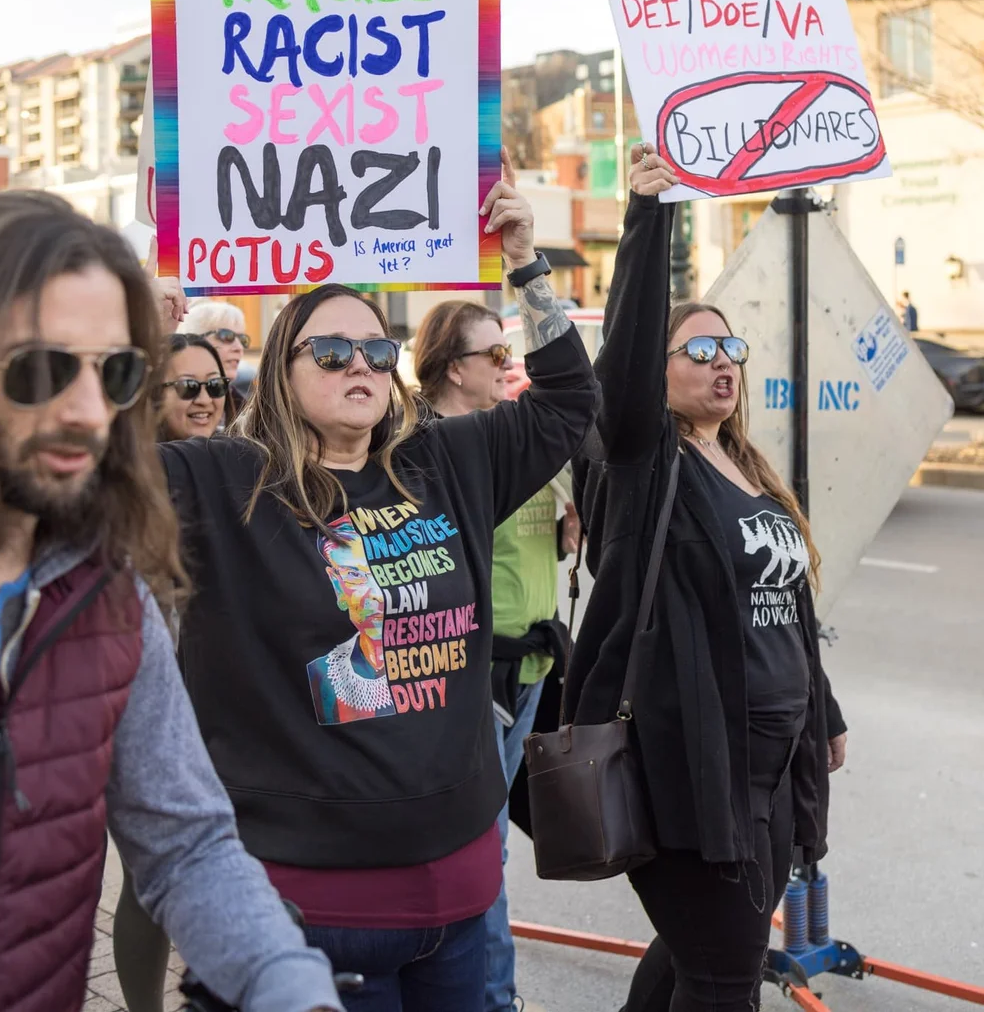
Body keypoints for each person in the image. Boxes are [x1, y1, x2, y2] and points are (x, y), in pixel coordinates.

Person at [157, 149, 597, 1012]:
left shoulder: (445, 460)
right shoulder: (221, 479)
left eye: (372, 347)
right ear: (282, 368)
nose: (358, 362)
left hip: (460, 898)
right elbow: (89, 466)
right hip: (305, 908)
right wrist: (139, 335)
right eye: (329, 350)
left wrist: (525, 264)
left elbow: (566, 402)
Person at [0, 189, 342, 1012]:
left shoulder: (107, 594)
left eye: (114, 371)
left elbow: (185, 842)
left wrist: (288, 982)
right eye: (41, 368)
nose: (86, 411)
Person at [564, 145, 848, 1012]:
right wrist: (653, 217)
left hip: (767, 771)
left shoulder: (751, 469)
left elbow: (789, 608)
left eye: (731, 346)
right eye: (698, 349)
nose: (722, 360)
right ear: (660, 371)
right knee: (726, 978)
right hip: (691, 771)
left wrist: (823, 709)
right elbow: (620, 358)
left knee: (699, 959)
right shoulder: (647, 463)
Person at [412, 300, 580, 1012]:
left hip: (535, 665)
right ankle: (489, 996)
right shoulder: (434, 450)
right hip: (482, 672)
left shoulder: (509, 436)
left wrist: (567, 525)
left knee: (488, 844)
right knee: (484, 848)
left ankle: (481, 989)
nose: (510, 366)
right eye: (495, 355)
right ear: (455, 367)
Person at [111, 331, 233, 1012]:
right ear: (152, 395)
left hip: (232, 701)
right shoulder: (128, 479)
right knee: (148, 876)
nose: (206, 398)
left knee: (223, 864)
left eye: (214, 385)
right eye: (187, 386)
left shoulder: (243, 462)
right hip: (154, 701)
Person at [155, 333, 231, 441]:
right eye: (188, 386)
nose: (205, 400)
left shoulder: (240, 454)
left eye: (215, 384)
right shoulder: (133, 456)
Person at [180, 301, 251, 410]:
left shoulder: (243, 409)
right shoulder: (170, 397)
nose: (239, 348)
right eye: (226, 336)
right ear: (193, 340)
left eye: (242, 339)